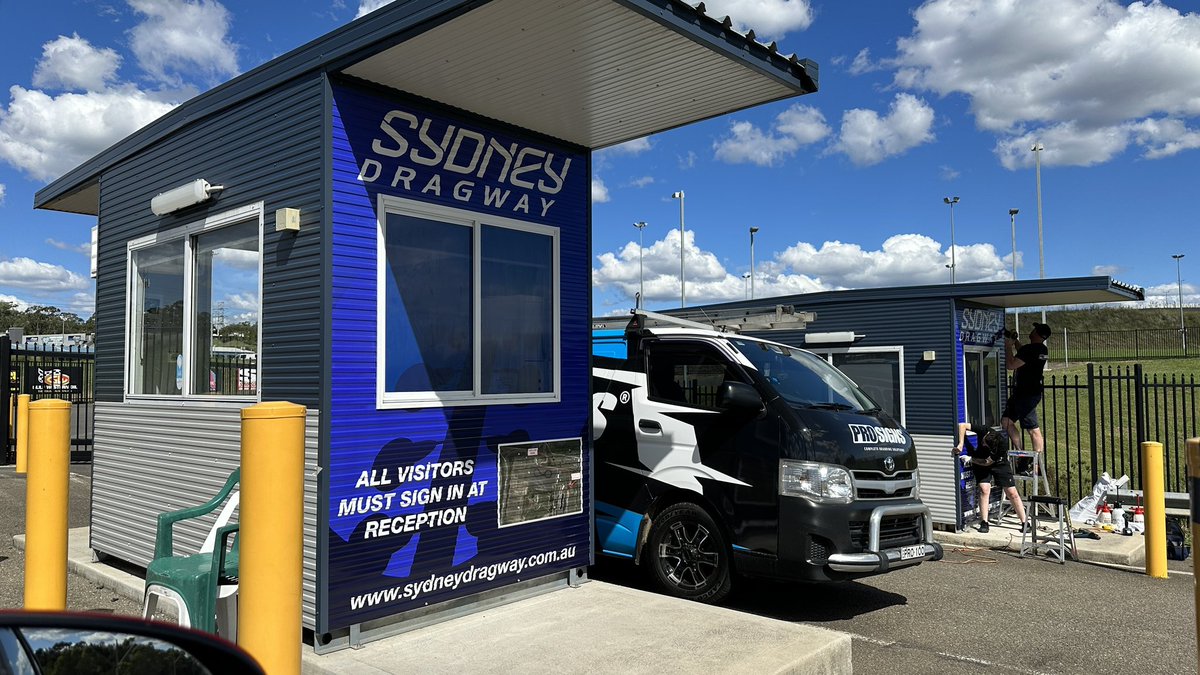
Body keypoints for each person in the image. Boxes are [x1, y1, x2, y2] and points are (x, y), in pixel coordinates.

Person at [953, 423, 1030, 534]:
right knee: (984, 489)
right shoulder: (984, 429)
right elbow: (962, 425)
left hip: (997, 463)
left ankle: (1025, 522)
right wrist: (961, 443)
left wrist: (970, 459)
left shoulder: (1002, 444)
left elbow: (986, 462)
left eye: (985, 444)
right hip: (980, 459)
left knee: (1012, 492)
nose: (983, 444)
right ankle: (984, 522)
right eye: (983, 441)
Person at [1001, 322, 1051, 454]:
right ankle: (1021, 454)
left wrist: (1007, 346)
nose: (1032, 330)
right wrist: (1015, 340)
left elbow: (1011, 365)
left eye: (1034, 329)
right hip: (1025, 393)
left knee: (1033, 429)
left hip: (1026, 395)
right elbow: (1023, 351)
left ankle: (1037, 463)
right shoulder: (1041, 350)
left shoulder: (1030, 350)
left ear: (1037, 333)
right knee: (1006, 421)